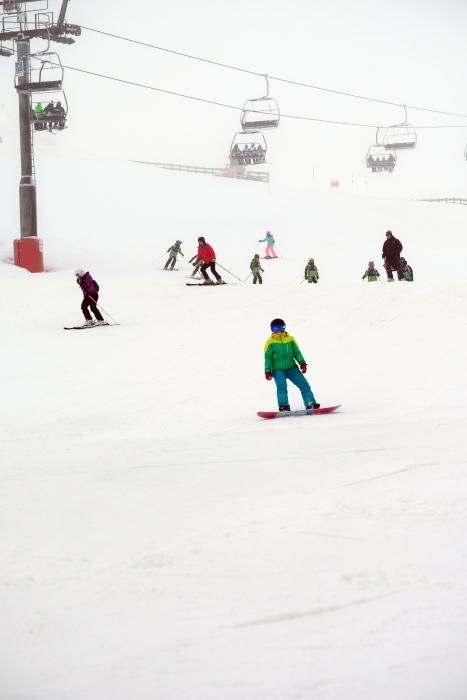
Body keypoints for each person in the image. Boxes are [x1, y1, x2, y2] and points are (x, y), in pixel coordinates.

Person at [264, 318, 320, 411]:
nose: (276, 331)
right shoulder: (270, 342)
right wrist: (267, 370)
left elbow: (296, 352)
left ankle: (310, 403)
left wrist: (302, 362)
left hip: (292, 368)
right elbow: (268, 358)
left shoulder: (290, 339)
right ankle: (284, 406)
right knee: (282, 387)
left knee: (304, 385)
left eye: (278, 328)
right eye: (274, 329)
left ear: (283, 328)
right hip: (278, 370)